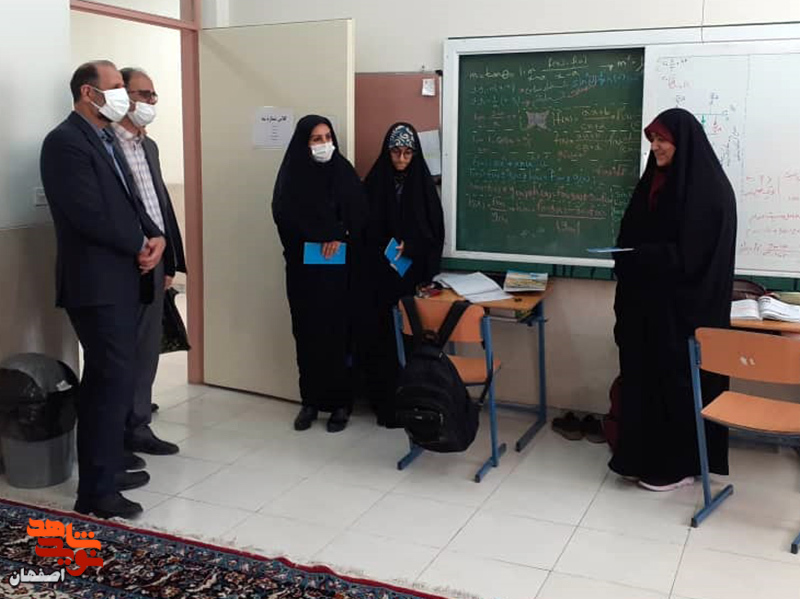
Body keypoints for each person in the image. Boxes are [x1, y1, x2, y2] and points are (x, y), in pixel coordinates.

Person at [40, 61, 166, 519]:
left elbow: (133, 200)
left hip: (123, 280)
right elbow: (88, 214)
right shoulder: (65, 142)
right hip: (95, 284)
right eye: (115, 88)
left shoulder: (106, 138)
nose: (123, 97)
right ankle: (96, 492)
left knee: (114, 380)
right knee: (107, 383)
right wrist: (137, 244)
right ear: (88, 93)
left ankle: (109, 467)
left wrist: (155, 235)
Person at [609, 107, 737, 492]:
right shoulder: (652, 184)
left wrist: (644, 255)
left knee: (676, 386)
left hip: (685, 314)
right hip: (646, 309)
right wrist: (627, 254)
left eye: (663, 139)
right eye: (653, 139)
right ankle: (639, 457)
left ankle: (679, 466)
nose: (656, 147)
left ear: (684, 142)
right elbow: (631, 235)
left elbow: (693, 257)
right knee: (643, 384)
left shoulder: (710, 193)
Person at [272, 115, 368, 433]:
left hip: (340, 274)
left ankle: (340, 404)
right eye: (316, 139)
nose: (324, 144)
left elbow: (359, 214)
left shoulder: (343, 172)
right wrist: (319, 236)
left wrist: (338, 236)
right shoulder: (291, 176)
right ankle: (310, 402)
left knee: (338, 335)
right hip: (304, 272)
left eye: (327, 137)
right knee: (307, 334)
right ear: (304, 143)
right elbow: (284, 216)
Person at [113, 68, 187, 458]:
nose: (151, 103)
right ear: (123, 97)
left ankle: (138, 422)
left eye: (154, 95)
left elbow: (160, 205)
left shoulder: (149, 146)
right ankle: (117, 426)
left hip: (156, 261)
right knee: (117, 351)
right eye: (144, 95)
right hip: (121, 262)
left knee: (146, 349)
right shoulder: (105, 144)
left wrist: (171, 261)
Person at [361, 123, 444, 422]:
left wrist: (410, 246)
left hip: (411, 280)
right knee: (381, 341)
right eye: (395, 152)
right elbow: (361, 228)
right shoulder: (374, 184)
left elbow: (434, 234)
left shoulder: (423, 188)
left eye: (408, 153)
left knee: (411, 340)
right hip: (378, 280)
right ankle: (384, 404)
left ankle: (413, 405)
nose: (401, 159)